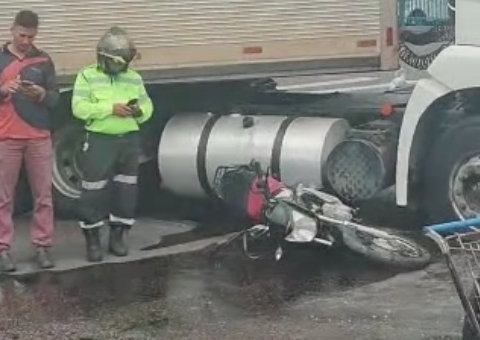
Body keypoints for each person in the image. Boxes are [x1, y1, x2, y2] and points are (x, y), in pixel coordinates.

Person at [71, 26, 153, 262]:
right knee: (93, 191)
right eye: (120, 62)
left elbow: (148, 108)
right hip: (99, 141)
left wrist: (138, 111)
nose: (123, 66)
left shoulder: (134, 78)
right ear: (105, 58)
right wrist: (110, 109)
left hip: (128, 141)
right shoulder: (87, 75)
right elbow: (79, 108)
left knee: (126, 190)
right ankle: (93, 240)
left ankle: (118, 236)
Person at [0, 10, 59, 272]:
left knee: (43, 196)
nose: (26, 41)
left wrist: (41, 94)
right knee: (3, 198)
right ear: (12, 30)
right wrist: (3, 91)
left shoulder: (43, 60)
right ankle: (3, 250)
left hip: (38, 137)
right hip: (7, 136)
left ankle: (42, 247)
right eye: (22, 35)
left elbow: (56, 99)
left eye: (31, 36)